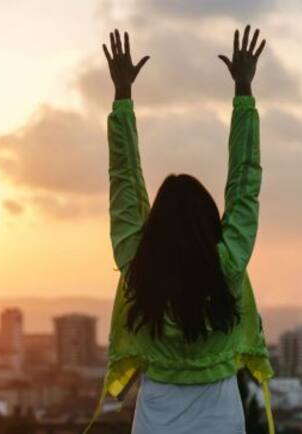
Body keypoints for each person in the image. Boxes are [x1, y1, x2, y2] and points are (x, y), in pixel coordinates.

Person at [92, 26, 274, 434]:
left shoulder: (139, 267)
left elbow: (124, 183)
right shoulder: (227, 264)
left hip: (155, 416)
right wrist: (243, 92)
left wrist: (122, 97)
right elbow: (245, 184)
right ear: (209, 220)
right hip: (221, 414)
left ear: (155, 225)